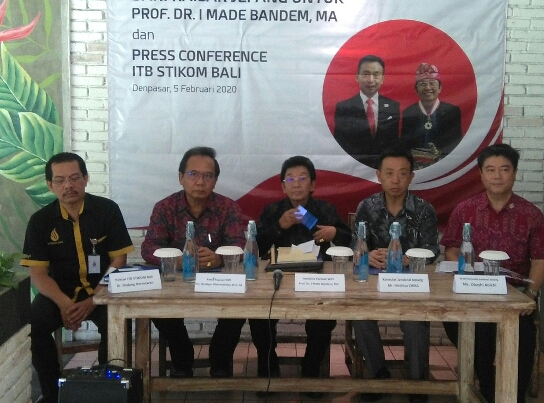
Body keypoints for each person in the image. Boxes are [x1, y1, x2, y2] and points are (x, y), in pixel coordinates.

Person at [440, 143, 544, 403]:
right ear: (481, 175)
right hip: (475, 292)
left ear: (514, 173)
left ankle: (515, 394)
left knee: (523, 336)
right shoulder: (465, 210)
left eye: (505, 169)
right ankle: (487, 385)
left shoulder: (531, 215)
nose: (497, 176)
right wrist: (469, 278)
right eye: (490, 170)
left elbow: (540, 260)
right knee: (467, 328)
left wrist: (530, 295)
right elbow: (451, 252)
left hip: (514, 295)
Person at [21, 152, 135, 403]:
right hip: (59, 294)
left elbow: (119, 260)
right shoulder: (40, 222)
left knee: (117, 324)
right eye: (60, 180)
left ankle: (108, 389)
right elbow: (38, 274)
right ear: (50, 185)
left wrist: (94, 300)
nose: (68, 185)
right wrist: (65, 305)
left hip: (102, 290)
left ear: (86, 178)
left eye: (74, 178)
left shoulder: (107, 210)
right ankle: (53, 393)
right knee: (34, 326)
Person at [141, 146, 245, 378]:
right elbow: (149, 248)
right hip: (176, 280)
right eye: (193, 174)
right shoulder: (165, 207)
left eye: (208, 176)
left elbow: (239, 245)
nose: (200, 182)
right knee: (158, 309)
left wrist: (219, 257)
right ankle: (182, 358)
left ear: (215, 181)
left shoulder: (228, 207)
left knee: (240, 309)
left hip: (219, 280)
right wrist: (176, 260)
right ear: (181, 177)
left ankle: (220, 360)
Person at [252, 156, 352, 391]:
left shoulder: (325, 209)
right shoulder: (273, 210)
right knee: (258, 315)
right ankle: (268, 365)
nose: (296, 184)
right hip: (278, 277)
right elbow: (257, 246)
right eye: (290, 179)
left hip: (316, 278)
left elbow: (348, 240)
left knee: (322, 319)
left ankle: (311, 367)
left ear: (313, 184)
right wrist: (279, 226)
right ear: (283, 186)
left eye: (302, 178)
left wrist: (333, 233)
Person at [351, 149, 439, 403]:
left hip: (411, 282)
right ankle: (378, 375)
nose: (395, 180)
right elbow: (355, 245)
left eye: (402, 174)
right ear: (379, 176)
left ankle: (416, 383)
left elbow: (433, 250)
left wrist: (407, 259)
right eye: (389, 174)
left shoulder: (424, 209)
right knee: (360, 317)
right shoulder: (366, 207)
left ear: (411, 177)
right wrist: (367, 255)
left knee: (415, 323)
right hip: (374, 282)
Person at [334, 55, 400, 168]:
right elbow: (340, 145)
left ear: (382, 79)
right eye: (366, 74)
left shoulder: (393, 107)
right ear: (357, 77)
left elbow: (394, 143)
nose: (371, 80)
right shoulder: (344, 108)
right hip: (353, 168)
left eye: (376, 75)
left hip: (385, 168)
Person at [401, 63, 462, 169]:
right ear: (416, 90)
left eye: (432, 83)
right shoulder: (409, 112)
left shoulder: (452, 111)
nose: (428, 87)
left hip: (444, 165)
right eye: (423, 84)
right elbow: (405, 146)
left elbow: (455, 145)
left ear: (440, 88)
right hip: (415, 166)